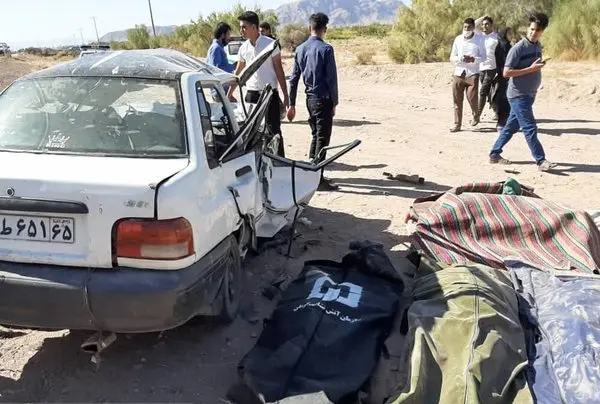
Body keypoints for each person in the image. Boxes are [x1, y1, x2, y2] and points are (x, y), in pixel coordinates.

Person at [489, 12, 557, 172]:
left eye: (538, 30)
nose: (534, 33)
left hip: (529, 94)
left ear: (542, 31)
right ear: (528, 28)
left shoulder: (537, 46)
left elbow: (532, 66)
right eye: (532, 29)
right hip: (518, 95)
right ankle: (541, 160)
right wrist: (530, 69)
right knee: (530, 127)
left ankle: (494, 154)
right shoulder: (518, 48)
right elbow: (506, 72)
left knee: (510, 127)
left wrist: (539, 66)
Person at [287, 12, 339, 191]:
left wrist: (292, 104)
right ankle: (318, 179)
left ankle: (311, 174)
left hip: (309, 99)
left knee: (316, 135)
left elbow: (293, 79)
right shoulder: (326, 49)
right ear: (325, 29)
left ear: (310, 28)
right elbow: (332, 79)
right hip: (323, 99)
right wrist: (334, 102)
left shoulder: (300, 49)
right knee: (322, 139)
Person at [227, 11, 289, 156]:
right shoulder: (243, 48)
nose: (241, 30)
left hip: (269, 94)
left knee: (274, 130)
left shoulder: (270, 45)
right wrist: (229, 94)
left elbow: (279, 70)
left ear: (254, 27)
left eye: (244, 27)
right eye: (241, 27)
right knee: (251, 131)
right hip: (252, 95)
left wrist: (286, 95)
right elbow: (238, 74)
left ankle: (280, 161)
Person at [449, 18, 486, 133]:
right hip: (459, 73)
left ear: (473, 28)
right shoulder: (458, 39)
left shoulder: (479, 40)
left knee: (472, 98)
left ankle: (475, 114)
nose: (466, 29)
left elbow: (483, 57)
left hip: (472, 73)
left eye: (469, 27)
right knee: (457, 100)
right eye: (464, 27)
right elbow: (452, 57)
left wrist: (473, 59)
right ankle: (457, 124)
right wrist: (460, 59)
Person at [474, 16, 499, 125]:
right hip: (481, 68)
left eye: (487, 24)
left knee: (483, 91)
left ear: (491, 25)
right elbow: (473, 25)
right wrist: (483, 17)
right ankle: (496, 110)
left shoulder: (496, 37)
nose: (484, 26)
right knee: (489, 91)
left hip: (492, 68)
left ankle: (477, 116)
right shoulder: (478, 37)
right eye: (483, 24)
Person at [492, 27, 514, 131]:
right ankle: (501, 123)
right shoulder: (501, 46)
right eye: (509, 34)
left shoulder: (508, 46)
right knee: (503, 99)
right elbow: (503, 62)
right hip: (503, 77)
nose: (511, 36)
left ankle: (507, 123)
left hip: (508, 76)